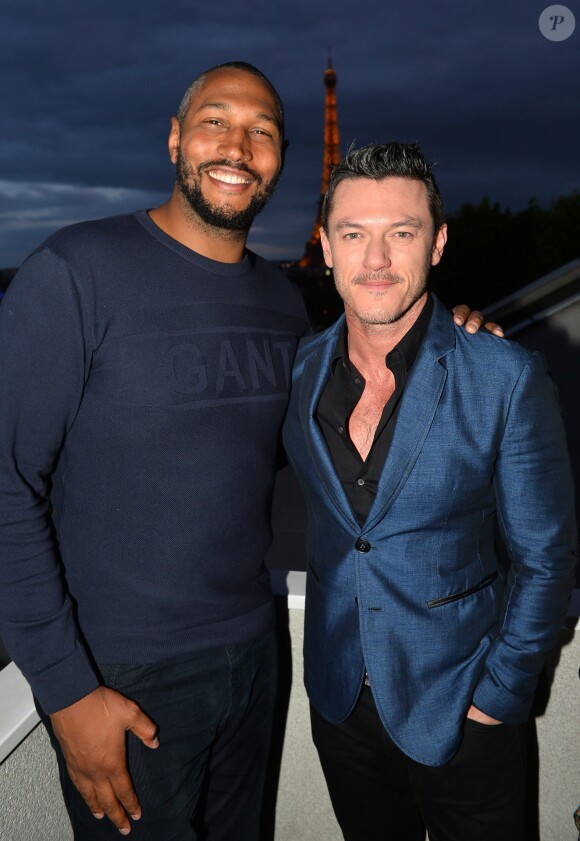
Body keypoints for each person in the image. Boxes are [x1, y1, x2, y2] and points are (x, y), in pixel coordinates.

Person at [0, 64, 494, 840]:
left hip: (256, 654)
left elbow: (337, 426)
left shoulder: (280, 303)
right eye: (215, 121)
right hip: (122, 674)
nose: (238, 144)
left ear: (282, 158)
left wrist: (450, 336)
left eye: (261, 131)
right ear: (174, 137)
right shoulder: (75, 273)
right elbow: (7, 483)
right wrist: (66, 690)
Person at [282, 142, 577, 841]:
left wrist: (499, 695)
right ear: (325, 246)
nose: (376, 259)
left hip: (465, 707)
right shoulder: (297, 372)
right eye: (354, 234)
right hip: (338, 702)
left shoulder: (504, 375)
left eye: (402, 233)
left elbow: (548, 556)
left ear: (438, 244)